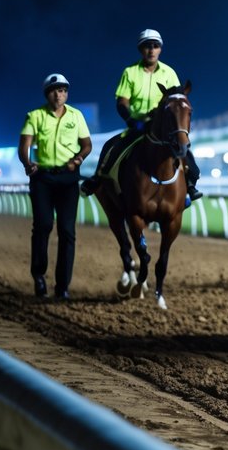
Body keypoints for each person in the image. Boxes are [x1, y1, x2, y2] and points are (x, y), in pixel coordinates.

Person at [81, 29, 204, 200]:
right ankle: (97, 178)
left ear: (160, 49)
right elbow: (122, 102)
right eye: (147, 46)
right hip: (138, 125)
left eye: (155, 46)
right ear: (141, 50)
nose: (151, 50)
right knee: (112, 147)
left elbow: (178, 99)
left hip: (162, 126)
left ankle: (190, 184)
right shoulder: (130, 72)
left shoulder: (169, 73)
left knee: (186, 153)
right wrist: (130, 119)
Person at [18, 74, 92, 300]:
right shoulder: (35, 116)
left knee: (67, 231)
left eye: (62, 90)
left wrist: (78, 159)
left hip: (68, 179)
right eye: (54, 90)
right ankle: (39, 275)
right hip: (42, 178)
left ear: (67, 93)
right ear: (46, 94)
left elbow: (86, 144)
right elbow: (24, 145)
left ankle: (63, 286)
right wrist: (27, 162)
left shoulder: (77, 116)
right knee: (43, 225)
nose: (58, 94)